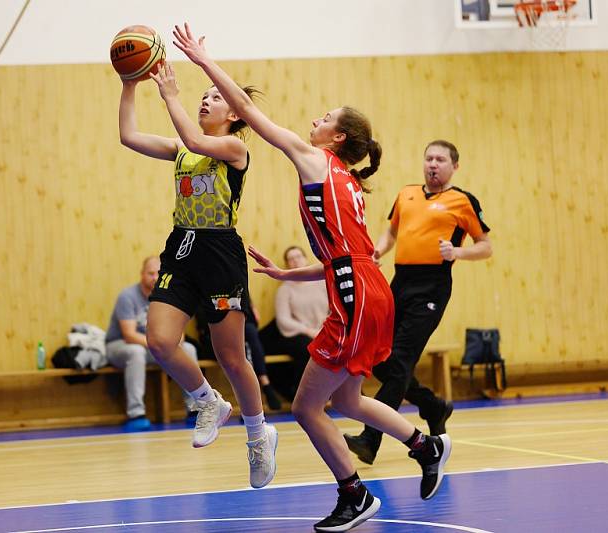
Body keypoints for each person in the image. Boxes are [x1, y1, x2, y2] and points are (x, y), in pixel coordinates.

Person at [174, 24, 451, 532]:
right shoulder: (348, 182)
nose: (315, 120)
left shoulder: (314, 159)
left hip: (355, 295)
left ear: (337, 138)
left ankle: (354, 495)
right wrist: (289, 273)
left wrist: (204, 61)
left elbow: (251, 115)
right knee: (345, 399)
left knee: (306, 407)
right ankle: (425, 444)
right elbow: (349, 255)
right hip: (366, 288)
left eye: (325, 119)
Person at [118, 59, 277, 488]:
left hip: (220, 252)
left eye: (216, 97)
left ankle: (258, 434)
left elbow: (192, 135)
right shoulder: (183, 148)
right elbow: (128, 136)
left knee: (231, 356)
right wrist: (129, 84)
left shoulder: (235, 150)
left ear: (235, 115)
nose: (206, 100)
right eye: (202, 95)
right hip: (182, 247)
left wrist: (169, 94)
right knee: (160, 341)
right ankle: (207, 401)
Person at [344, 140, 492, 465]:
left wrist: (458, 253)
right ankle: (433, 406)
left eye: (440, 160)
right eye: (429, 158)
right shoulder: (406, 194)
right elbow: (392, 233)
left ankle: (371, 437)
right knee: (382, 361)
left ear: (454, 166)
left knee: (399, 362)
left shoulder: (463, 201)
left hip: (432, 287)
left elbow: (485, 246)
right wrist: (377, 251)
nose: (433, 164)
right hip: (400, 284)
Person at [105, 256, 199, 431]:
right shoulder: (128, 296)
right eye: (150, 273)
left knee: (188, 349)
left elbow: (179, 332)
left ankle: (195, 409)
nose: (155, 277)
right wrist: (161, 345)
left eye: (158, 273)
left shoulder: (168, 296)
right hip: (120, 346)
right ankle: (136, 414)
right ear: (142, 275)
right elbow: (129, 335)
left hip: (155, 347)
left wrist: (173, 345)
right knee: (135, 352)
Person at [259, 245, 328, 400]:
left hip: (323, 330)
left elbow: (333, 310)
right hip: (298, 334)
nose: (295, 261)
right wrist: (308, 331)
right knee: (307, 349)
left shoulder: (323, 284)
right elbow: (284, 320)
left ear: (306, 259)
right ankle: (305, 396)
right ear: (287, 265)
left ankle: (336, 393)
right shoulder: (285, 289)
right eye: (290, 259)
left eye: (298, 256)